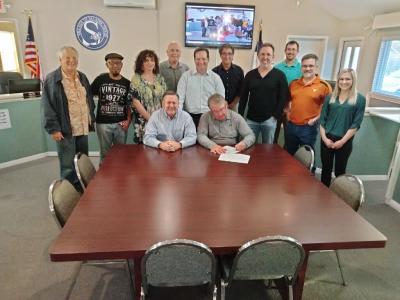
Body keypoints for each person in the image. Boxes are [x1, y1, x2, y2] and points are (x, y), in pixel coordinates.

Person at [41, 46, 95, 192]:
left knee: (82, 160)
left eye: (74, 58)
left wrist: (91, 119)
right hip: (65, 130)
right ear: (60, 60)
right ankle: (71, 192)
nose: (71, 61)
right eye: (67, 58)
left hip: (82, 127)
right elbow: (47, 106)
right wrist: (53, 129)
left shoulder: (82, 76)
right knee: (67, 165)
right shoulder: (52, 79)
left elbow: (88, 99)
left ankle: (84, 187)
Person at [320, 68, 366, 187]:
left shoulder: (360, 99)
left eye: (347, 79)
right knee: (326, 170)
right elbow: (322, 120)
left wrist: (342, 141)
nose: (344, 82)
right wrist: (325, 139)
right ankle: (323, 196)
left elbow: (356, 124)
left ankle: (339, 198)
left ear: (353, 80)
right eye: (341, 79)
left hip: (344, 140)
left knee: (340, 171)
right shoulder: (330, 97)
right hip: (327, 138)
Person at [239, 43, 289, 144]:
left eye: (268, 54)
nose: (265, 57)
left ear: (273, 57)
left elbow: (283, 97)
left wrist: (275, 116)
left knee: (268, 149)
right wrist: (241, 116)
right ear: (258, 56)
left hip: (270, 120)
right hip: (251, 120)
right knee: (250, 147)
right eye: (262, 54)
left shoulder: (280, 75)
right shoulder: (250, 75)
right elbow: (243, 97)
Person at [285, 54, 332, 155]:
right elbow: (287, 100)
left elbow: (328, 109)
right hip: (291, 126)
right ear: (301, 67)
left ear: (316, 67)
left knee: (307, 157)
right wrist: (288, 114)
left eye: (311, 66)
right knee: (288, 155)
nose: (307, 68)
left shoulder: (324, 86)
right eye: (304, 66)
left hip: (308, 128)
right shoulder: (294, 83)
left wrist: (315, 120)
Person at [91, 53, 131, 162]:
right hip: (103, 124)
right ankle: (104, 177)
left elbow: (130, 104)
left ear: (121, 65)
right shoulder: (100, 79)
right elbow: (88, 95)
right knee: (105, 154)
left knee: (121, 153)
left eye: (118, 63)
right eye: (111, 63)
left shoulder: (127, 83)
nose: (115, 66)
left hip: (121, 124)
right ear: (106, 65)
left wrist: (128, 120)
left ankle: (119, 176)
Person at [177, 47, 225, 128]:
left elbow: (221, 99)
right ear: (194, 60)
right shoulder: (186, 76)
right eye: (198, 59)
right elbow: (179, 99)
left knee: (209, 140)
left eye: (203, 59)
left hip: (210, 117)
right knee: (192, 140)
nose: (201, 61)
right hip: (190, 117)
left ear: (208, 59)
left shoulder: (215, 78)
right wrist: (179, 118)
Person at [128, 49, 167, 143]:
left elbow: (165, 98)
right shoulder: (136, 79)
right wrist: (150, 119)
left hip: (160, 119)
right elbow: (135, 102)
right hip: (143, 120)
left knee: (160, 145)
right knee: (144, 149)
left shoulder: (160, 78)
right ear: (141, 64)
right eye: (146, 60)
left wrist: (162, 117)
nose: (150, 63)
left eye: (152, 60)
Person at [273, 40, 302, 144]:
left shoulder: (302, 68)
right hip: (277, 106)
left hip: (293, 108)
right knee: (273, 135)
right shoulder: (277, 67)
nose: (291, 52)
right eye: (289, 49)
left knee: (290, 137)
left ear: (297, 51)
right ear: (285, 51)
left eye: (293, 49)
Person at [212, 44, 244, 111]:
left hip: (234, 106)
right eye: (224, 53)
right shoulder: (214, 72)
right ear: (220, 55)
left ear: (233, 56)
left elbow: (241, 90)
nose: (227, 56)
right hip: (218, 106)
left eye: (229, 54)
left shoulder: (239, 71)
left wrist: (233, 104)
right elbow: (212, 91)